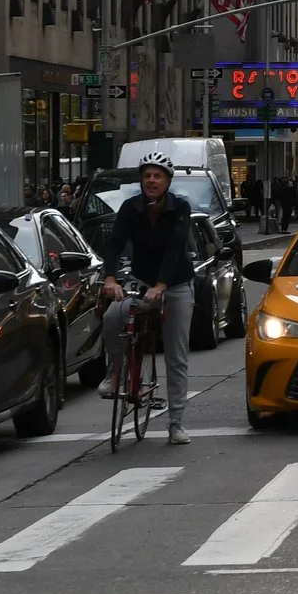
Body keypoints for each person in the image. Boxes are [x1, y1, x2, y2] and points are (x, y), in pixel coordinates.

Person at [101, 152, 196, 444]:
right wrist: (111, 278)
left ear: (167, 181)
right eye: (146, 176)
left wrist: (163, 285)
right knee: (113, 315)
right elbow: (115, 243)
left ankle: (176, 424)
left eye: (157, 176)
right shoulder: (131, 208)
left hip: (175, 282)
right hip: (142, 281)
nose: (151, 181)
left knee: (176, 355)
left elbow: (174, 248)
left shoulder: (180, 208)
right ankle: (116, 372)